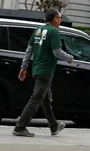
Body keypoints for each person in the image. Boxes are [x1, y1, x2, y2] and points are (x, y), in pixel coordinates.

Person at [13, 7, 73, 138]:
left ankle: (54, 126)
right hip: (46, 70)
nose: (60, 20)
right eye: (59, 17)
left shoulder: (38, 30)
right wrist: (69, 58)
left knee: (45, 98)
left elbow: (29, 49)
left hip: (37, 68)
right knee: (36, 98)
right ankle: (20, 126)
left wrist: (24, 67)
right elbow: (57, 52)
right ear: (54, 19)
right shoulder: (54, 32)